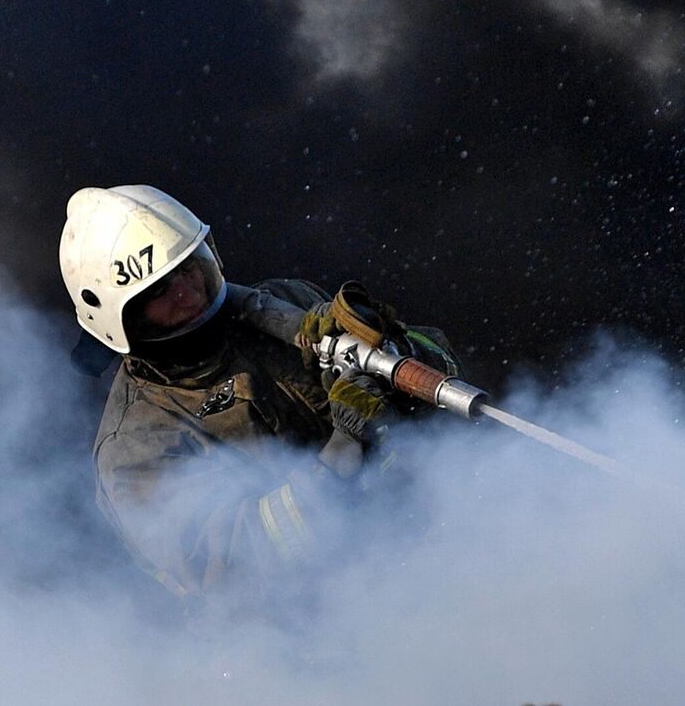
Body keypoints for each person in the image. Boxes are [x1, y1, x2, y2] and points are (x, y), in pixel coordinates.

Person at [59, 184, 460, 607]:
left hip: (421, 554)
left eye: (189, 266)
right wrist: (344, 450)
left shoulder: (290, 304)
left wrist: (397, 350)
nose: (188, 290)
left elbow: (444, 380)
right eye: (160, 291)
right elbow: (244, 564)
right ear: (119, 319)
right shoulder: (135, 450)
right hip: (313, 642)